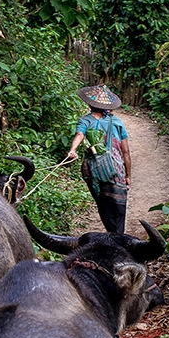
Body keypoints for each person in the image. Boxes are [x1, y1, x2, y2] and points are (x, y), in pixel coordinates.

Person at [65, 84, 131, 234]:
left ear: (90, 103)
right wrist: (128, 175)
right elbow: (125, 152)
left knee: (103, 203)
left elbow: (80, 135)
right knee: (119, 206)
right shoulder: (117, 123)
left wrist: (72, 150)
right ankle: (118, 237)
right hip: (115, 168)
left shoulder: (85, 121)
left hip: (92, 168)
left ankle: (111, 233)